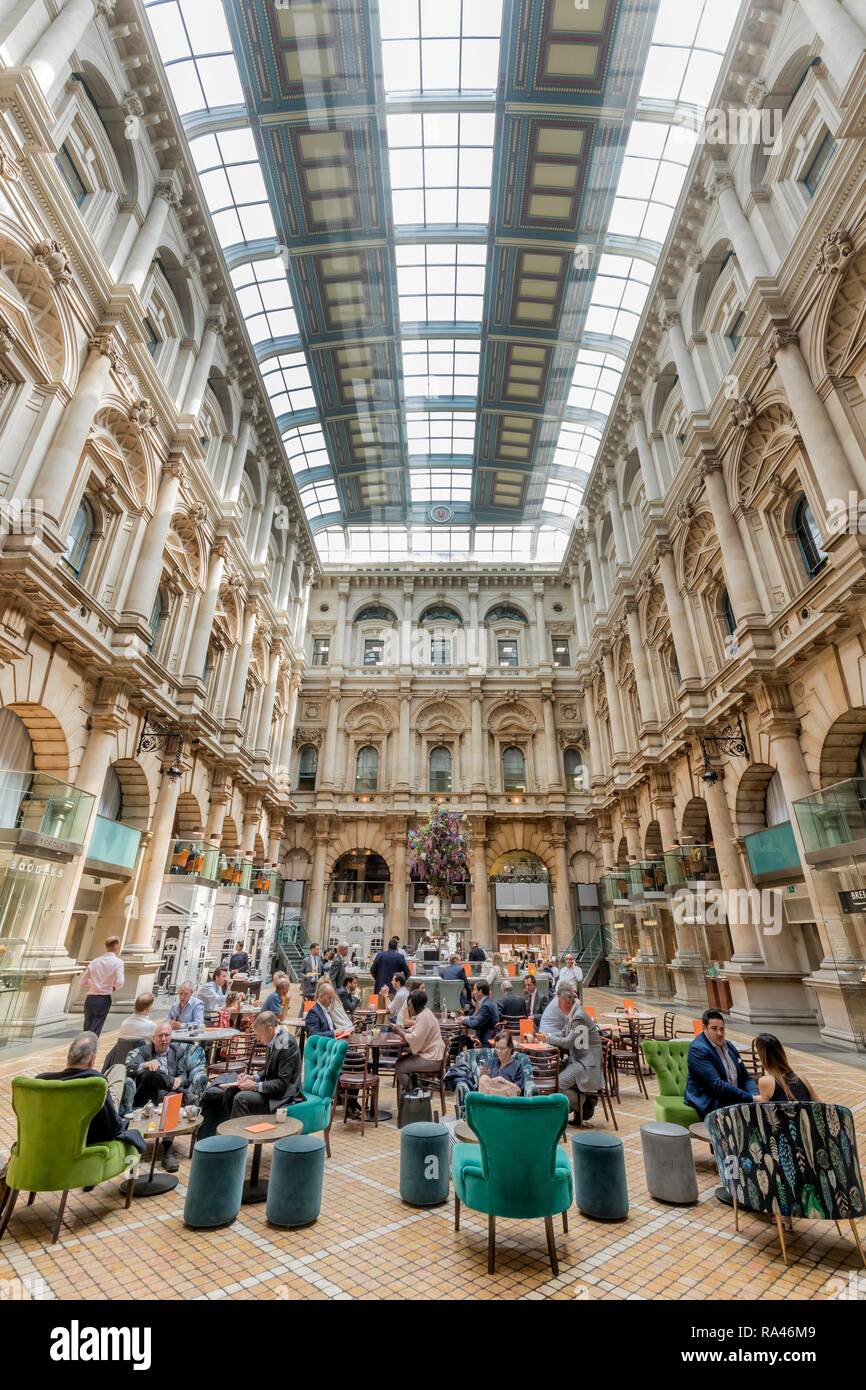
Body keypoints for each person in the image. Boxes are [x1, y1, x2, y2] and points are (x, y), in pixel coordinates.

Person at [38, 1032, 147, 1157]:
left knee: (117, 1069)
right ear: (93, 1059)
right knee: (119, 1070)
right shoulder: (96, 1083)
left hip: (56, 1133)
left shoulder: (42, 1081)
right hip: (91, 1136)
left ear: (69, 1057)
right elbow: (113, 1128)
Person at [125, 1022, 207, 1172]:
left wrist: (180, 1080)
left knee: (171, 1098)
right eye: (160, 1036)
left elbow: (183, 1073)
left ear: (171, 1036)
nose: (163, 1039)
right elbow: (128, 1067)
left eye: (167, 1035)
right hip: (147, 1095)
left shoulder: (178, 1051)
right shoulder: (144, 1051)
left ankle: (167, 1153)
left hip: (169, 1094)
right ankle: (185, 1095)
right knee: (151, 1073)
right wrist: (146, 1065)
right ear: (153, 1038)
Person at [202, 1011, 302, 1124]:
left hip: (283, 1095)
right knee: (230, 1092)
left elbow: (282, 1084)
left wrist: (254, 1086)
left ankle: (241, 1136)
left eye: (259, 1035)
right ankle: (229, 1132)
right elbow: (268, 1070)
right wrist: (253, 1078)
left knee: (241, 1098)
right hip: (273, 1089)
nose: (258, 1039)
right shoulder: (274, 1038)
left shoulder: (286, 1043)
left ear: (270, 1029)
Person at [684, 1009, 758, 1119]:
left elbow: (746, 1077)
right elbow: (717, 1085)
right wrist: (751, 1098)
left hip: (733, 1095)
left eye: (722, 1029)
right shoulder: (698, 1049)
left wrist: (755, 1095)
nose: (719, 1033)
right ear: (704, 1028)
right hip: (712, 1099)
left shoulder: (729, 1046)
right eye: (714, 1029)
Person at [541, 991, 602, 1123]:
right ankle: (574, 1104)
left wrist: (547, 1038)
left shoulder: (578, 1016)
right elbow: (562, 1034)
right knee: (551, 1074)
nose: (557, 1006)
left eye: (559, 1003)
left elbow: (568, 1042)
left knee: (558, 1084)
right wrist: (545, 1037)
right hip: (577, 1059)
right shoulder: (572, 1014)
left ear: (567, 1003)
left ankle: (584, 1102)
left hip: (586, 1063)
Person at [391, 989, 445, 1104]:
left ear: (415, 1005)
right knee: (400, 1061)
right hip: (434, 1055)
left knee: (400, 1066)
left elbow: (415, 1039)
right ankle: (415, 1089)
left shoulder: (424, 1017)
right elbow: (416, 1030)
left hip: (433, 1058)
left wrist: (399, 1032)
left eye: (410, 1005)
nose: (409, 1008)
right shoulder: (426, 1013)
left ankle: (413, 1095)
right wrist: (403, 1030)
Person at [79, 936, 124, 1037]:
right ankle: (90, 1050)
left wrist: (94, 983)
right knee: (96, 1029)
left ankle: (82, 1049)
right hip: (103, 998)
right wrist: (113, 988)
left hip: (90, 998)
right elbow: (120, 982)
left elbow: (82, 982)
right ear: (116, 946)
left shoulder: (95, 961)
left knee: (87, 1027)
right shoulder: (118, 962)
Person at [754, 1033, 817, 1102]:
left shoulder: (765, 1081)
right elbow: (821, 1105)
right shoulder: (801, 1078)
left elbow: (765, 1110)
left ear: (763, 1057)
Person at [478, 1029, 525, 1097]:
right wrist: (481, 1075)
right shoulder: (491, 1062)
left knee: (509, 1090)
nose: (499, 1051)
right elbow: (480, 1086)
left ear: (510, 1048)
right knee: (484, 1078)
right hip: (489, 1099)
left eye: (503, 1048)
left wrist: (503, 1080)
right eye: (497, 1048)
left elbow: (518, 1091)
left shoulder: (517, 1066)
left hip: (505, 1101)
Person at [462, 979, 499, 1047]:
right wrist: (467, 1017)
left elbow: (475, 1024)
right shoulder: (486, 1002)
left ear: (480, 991)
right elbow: (479, 1017)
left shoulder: (486, 1005)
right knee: (464, 1040)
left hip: (486, 1040)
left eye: (475, 990)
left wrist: (463, 1020)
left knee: (463, 1041)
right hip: (484, 1036)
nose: (473, 992)